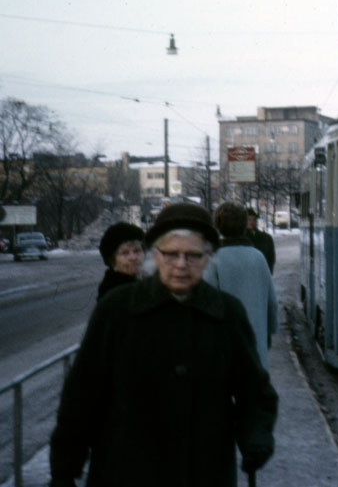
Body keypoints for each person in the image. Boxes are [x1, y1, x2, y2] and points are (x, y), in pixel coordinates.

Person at [49, 203, 278, 487]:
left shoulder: (227, 313)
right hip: (125, 470)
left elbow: (253, 391)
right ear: (155, 256)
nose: (181, 264)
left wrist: (256, 437)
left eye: (193, 255)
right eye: (171, 254)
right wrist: (64, 469)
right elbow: (81, 396)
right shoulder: (117, 310)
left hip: (205, 471)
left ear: (208, 258)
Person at [205, 202, 278, 370]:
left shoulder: (213, 259)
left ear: (218, 226)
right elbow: (272, 301)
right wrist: (269, 330)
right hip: (256, 339)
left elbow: (207, 301)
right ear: (244, 224)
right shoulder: (258, 257)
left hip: (224, 344)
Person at [96, 222, 145, 300]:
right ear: (112, 261)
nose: (133, 257)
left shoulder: (146, 282)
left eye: (137, 251)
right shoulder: (112, 292)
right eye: (125, 253)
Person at [246, 207, 276, 273]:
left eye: (254, 219)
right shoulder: (241, 238)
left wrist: (268, 272)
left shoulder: (266, 238)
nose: (252, 222)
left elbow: (271, 259)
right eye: (249, 219)